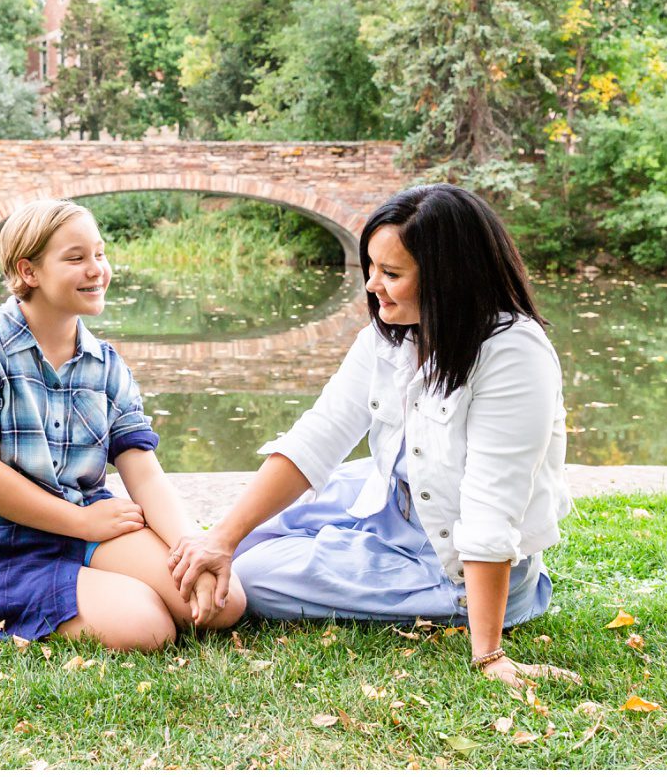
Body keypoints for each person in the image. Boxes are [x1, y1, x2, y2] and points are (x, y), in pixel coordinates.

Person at [167, 183, 580, 688]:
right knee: (236, 541)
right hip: (389, 503)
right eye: (371, 267)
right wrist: (223, 539)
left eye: (391, 273)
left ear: (449, 278)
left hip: (447, 564)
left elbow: (490, 508)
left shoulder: (514, 356)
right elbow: (319, 436)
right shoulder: (392, 334)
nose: (371, 285)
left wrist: (489, 655)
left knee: (251, 578)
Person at [0, 198, 246, 651]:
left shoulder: (106, 364)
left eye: (99, 254)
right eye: (76, 258)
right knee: (148, 629)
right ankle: (51, 594)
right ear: (29, 271)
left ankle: (97, 581)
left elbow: (143, 470)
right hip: (2, 552)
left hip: (88, 531)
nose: (96, 269)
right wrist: (82, 522)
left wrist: (191, 547)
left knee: (222, 601)